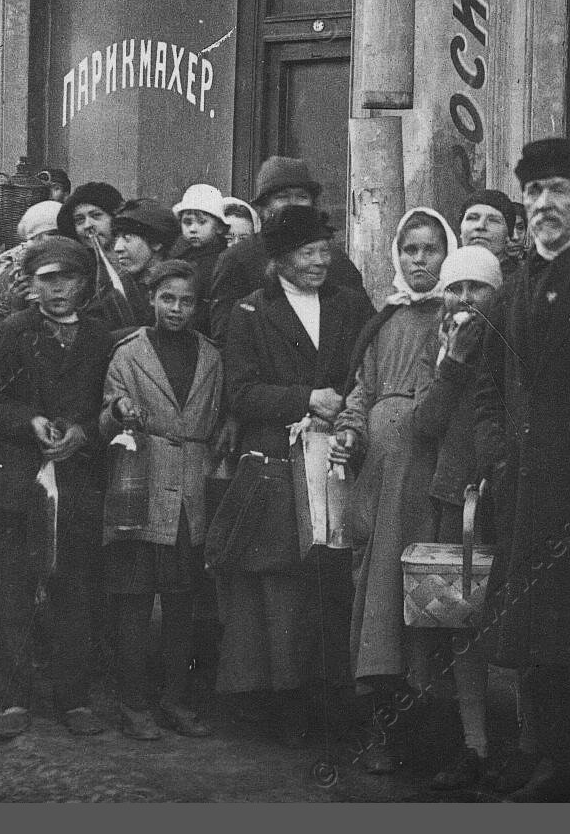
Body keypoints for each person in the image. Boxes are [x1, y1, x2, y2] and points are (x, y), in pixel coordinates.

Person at [472, 137, 570, 802]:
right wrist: (497, 454)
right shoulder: (512, 291)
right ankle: (549, 762)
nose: (544, 206)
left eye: (558, 192)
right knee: (534, 643)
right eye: (534, 193)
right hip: (526, 492)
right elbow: (489, 390)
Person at [216, 206, 372, 745]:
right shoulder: (251, 313)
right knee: (283, 583)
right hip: (279, 467)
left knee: (334, 578)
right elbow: (240, 391)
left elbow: (366, 373)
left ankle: (335, 702)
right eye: (307, 253)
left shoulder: (350, 305)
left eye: (324, 251)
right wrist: (304, 398)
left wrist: (346, 408)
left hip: (341, 457)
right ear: (279, 259)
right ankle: (286, 708)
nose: (319, 262)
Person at [331, 207, 456, 773]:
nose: (419, 260)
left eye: (430, 249)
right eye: (410, 250)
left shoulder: (454, 317)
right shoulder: (385, 319)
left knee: (423, 597)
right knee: (377, 594)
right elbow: (361, 388)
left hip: (426, 475)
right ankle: (381, 731)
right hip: (379, 476)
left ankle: (428, 741)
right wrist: (350, 432)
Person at [0, 235, 115, 741]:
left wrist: (84, 431)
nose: (59, 289)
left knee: (72, 590)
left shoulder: (101, 337)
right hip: (17, 479)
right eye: (48, 279)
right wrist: (30, 420)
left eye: (69, 278)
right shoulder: (14, 331)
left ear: (84, 283)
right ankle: (12, 698)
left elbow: (107, 400)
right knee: (14, 589)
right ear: (31, 284)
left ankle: (73, 699)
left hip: (77, 480)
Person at [99, 259, 227, 742]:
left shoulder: (211, 357)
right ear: (151, 299)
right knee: (133, 601)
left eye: (187, 301)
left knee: (181, 605)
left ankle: (175, 700)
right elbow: (104, 413)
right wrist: (119, 409)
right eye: (167, 298)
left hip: (190, 493)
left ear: (199, 306)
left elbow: (219, 416)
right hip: (139, 486)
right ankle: (134, 704)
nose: (176, 309)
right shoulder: (128, 353)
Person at [407, 244, 503, 790]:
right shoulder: (438, 346)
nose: (465, 299)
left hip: (501, 495)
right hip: (454, 499)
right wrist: (453, 366)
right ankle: (473, 743)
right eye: (456, 288)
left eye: (477, 288)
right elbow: (424, 422)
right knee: (455, 622)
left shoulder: (515, 341)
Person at [208, 157, 371, 335]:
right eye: (282, 197)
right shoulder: (237, 259)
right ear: (264, 207)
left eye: (301, 197)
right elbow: (226, 338)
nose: (293, 205)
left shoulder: (334, 259)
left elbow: (363, 329)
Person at [58, 183, 144, 331]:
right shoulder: (78, 271)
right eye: (79, 220)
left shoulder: (138, 261)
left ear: (114, 218)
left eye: (96, 216)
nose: (88, 226)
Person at [0, 198, 64, 335]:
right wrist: (15, 304)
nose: (61, 239)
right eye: (53, 234)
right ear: (35, 238)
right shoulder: (11, 270)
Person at [173, 184, 231, 296]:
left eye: (202, 222)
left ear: (219, 227)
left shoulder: (223, 260)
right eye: (187, 222)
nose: (193, 229)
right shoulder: (181, 257)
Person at [112, 199, 180, 293]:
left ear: (156, 242)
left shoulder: (179, 288)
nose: (117, 248)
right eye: (116, 239)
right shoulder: (117, 287)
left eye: (127, 238)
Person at [455, 189, 518, 279]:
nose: (480, 226)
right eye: (472, 218)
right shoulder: (448, 276)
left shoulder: (522, 282)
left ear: (508, 235)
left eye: (493, 220)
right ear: (460, 231)